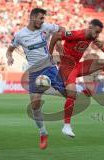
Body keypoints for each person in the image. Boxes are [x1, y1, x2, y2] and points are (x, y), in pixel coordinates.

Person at [49, 19, 104, 138]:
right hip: (67, 66)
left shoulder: (91, 35)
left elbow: (97, 42)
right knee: (71, 92)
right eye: (96, 32)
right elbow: (56, 36)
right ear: (90, 27)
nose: (97, 35)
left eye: (99, 33)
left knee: (103, 63)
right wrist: (49, 55)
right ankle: (66, 126)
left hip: (77, 65)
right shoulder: (77, 34)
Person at [6, 8, 65, 150]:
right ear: (32, 18)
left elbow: (61, 29)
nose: (42, 21)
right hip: (34, 71)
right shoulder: (20, 35)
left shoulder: (46, 27)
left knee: (67, 93)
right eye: (40, 18)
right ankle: (43, 133)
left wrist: (58, 43)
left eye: (43, 18)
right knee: (35, 104)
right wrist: (9, 57)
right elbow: (10, 49)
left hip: (49, 67)